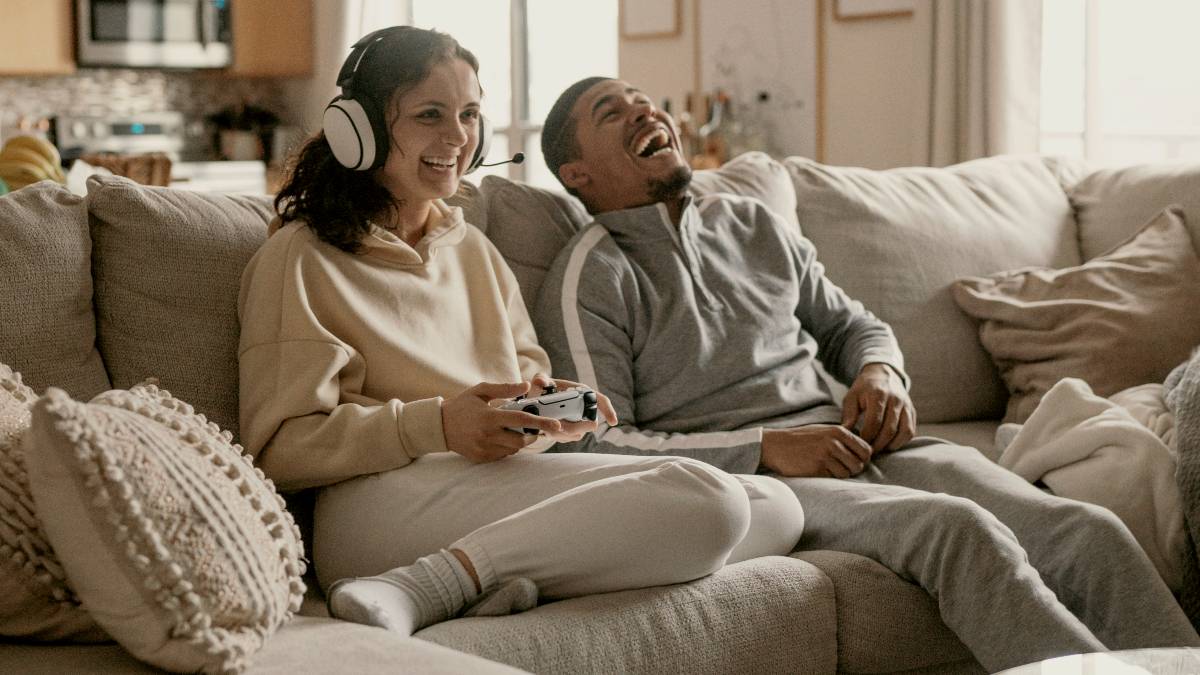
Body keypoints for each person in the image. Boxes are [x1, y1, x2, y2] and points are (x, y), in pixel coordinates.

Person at [531, 76, 1200, 672]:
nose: (641, 109)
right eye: (609, 111)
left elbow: (855, 326)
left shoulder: (752, 224)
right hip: (759, 480)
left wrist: (882, 374)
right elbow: (593, 440)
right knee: (957, 532)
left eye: (641, 99)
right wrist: (768, 447)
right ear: (578, 172)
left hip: (862, 439)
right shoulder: (590, 275)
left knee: (1087, 530)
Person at [236, 30, 804, 638]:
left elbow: (522, 388)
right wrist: (438, 424)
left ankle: (481, 580)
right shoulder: (302, 255)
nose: (457, 137)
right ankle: (423, 583)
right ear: (361, 128)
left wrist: (547, 413)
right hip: (375, 504)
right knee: (713, 504)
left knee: (776, 509)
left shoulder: (476, 252)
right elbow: (277, 449)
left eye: (470, 114)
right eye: (430, 114)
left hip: (488, 488)